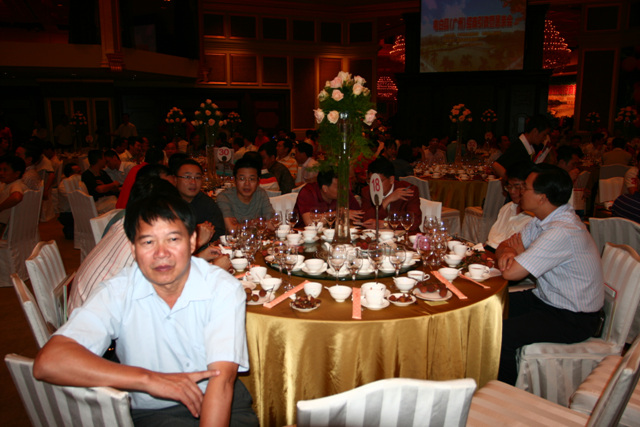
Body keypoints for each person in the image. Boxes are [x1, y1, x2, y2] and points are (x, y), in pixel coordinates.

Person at [34, 191, 257, 426]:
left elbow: (222, 381)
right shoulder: (119, 290)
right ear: (133, 249)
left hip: (218, 398)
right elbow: (48, 362)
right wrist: (149, 379)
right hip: (152, 410)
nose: (161, 253)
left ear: (193, 241)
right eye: (148, 242)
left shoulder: (222, 288)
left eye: (173, 239)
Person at [496, 164, 604, 385]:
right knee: (490, 305)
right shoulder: (541, 220)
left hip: (573, 316)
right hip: (546, 300)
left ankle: (504, 390)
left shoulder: (561, 231)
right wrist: (510, 252)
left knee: (500, 335)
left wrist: (516, 255)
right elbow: (503, 245)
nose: (519, 192)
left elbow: (511, 274)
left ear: (542, 197)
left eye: (525, 188)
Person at [359, 156, 421, 232]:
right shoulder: (367, 191)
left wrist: (385, 224)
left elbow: (414, 222)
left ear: (391, 179)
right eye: (371, 181)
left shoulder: (408, 191)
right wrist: (387, 200)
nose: (374, 186)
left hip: (404, 236)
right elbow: (365, 220)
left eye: (379, 182)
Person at [173, 158, 226, 245]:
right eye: (187, 177)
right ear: (175, 180)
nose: (193, 182)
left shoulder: (207, 204)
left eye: (197, 178)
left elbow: (219, 233)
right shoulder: (167, 204)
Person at [216, 156, 275, 231]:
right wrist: (255, 222)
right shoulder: (224, 197)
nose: (247, 184)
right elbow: (231, 229)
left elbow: (272, 223)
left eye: (252, 179)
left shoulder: (261, 193)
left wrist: (239, 225)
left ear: (258, 181)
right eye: (242, 179)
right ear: (234, 180)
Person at [485, 163, 533, 251]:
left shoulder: (534, 218)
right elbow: (491, 241)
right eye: (509, 187)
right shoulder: (507, 208)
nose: (512, 192)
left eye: (517, 187)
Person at [294, 168, 362, 226]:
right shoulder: (308, 192)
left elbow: (359, 216)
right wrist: (338, 213)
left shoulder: (345, 194)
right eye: (339, 187)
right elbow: (310, 222)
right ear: (325, 188)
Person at [492, 114, 552, 179]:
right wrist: (511, 182)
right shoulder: (519, 147)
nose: (544, 138)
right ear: (535, 131)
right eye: (544, 135)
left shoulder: (529, 146)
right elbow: (496, 165)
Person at [0, 155, 28, 233]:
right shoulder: (7, 184)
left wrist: (0, 208)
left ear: (17, 174)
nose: (1, 173)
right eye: (0, 169)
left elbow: (16, 197)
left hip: (5, 225)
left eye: (5, 170)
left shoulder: (16, 185)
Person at [57, 162, 83, 240]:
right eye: (78, 172)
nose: (81, 174)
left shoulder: (81, 182)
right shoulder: (63, 185)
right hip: (68, 213)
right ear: (71, 174)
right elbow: (75, 199)